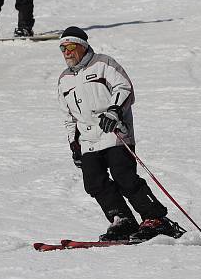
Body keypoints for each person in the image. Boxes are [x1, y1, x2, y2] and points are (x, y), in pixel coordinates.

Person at [56, 26, 185, 242]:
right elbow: (68, 115)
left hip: (114, 132)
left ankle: (156, 219)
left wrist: (114, 111)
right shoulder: (64, 79)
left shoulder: (103, 63)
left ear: (83, 46)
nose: (66, 52)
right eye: (62, 48)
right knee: (94, 182)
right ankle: (122, 219)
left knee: (124, 177)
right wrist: (73, 143)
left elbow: (124, 88)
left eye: (70, 47)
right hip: (87, 138)